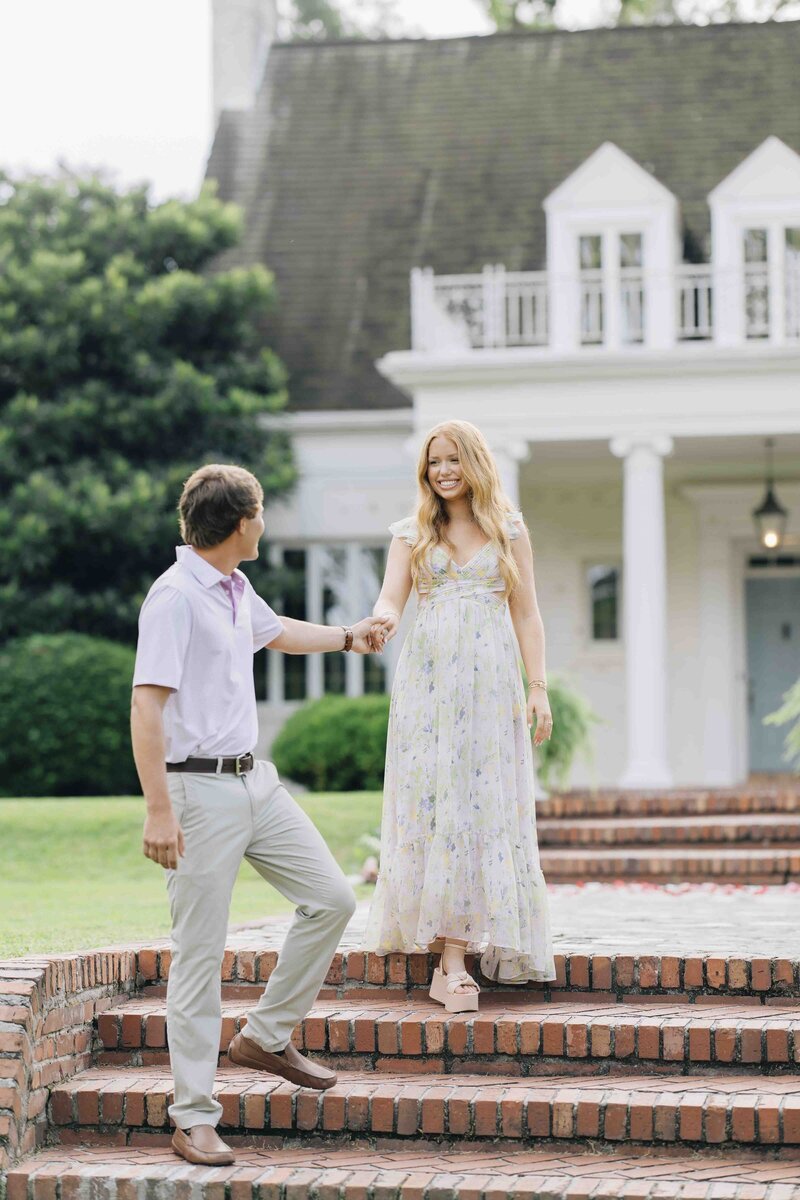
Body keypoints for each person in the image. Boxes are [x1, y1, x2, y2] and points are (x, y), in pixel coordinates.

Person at [130, 464, 387, 1168]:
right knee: (199, 956)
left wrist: (349, 636)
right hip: (195, 793)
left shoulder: (234, 587)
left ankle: (266, 1037)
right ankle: (192, 1118)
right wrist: (158, 810)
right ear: (243, 523)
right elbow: (146, 705)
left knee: (332, 899)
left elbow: (276, 633)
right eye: (262, 513)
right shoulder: (175, 596)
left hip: (256, 784)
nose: (265, 524)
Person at [362, 420, 556, 1011]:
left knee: (481, 804)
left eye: (452, 459)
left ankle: (460, 951)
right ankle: (447, 956)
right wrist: (383, 619)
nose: (443, 471)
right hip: (429, 688)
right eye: (433, 462)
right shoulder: (411, 533)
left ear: (474, 463)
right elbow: (391, 596)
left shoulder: (509, 530)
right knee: (436, 803)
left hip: (491, 688)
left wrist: (538, 688)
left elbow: (527, 614)